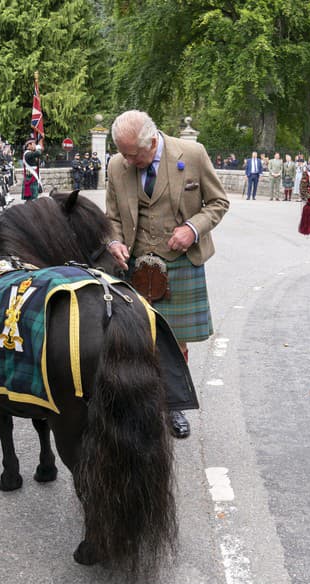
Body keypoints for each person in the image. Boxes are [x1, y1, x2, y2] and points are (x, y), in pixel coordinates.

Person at [105, 109, 229, 439]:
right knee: (135, 340)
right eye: (122, 153)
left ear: (151, 140)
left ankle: (173, 404)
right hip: (134, 263)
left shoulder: (192, 154)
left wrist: (192, 228)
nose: (128, 161)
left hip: (180, 261)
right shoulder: (118, 164)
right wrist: (114, 241)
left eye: (133, 154)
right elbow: (112, 217)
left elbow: (218, 203)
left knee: (173, 341)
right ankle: (142, 404)